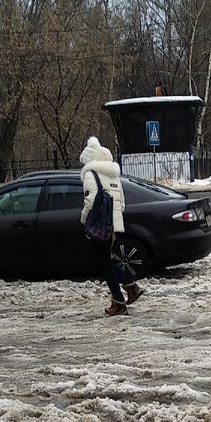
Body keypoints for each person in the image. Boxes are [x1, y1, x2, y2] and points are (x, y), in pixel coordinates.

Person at [78, 135, 141, 316]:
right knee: (108, 260)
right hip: (114, 227)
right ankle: (130, 287)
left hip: (100, 225)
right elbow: (121, 205)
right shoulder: (114, 176)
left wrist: (83, 219)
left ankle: (119, 302)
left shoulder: (91, 174)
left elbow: (89, 201)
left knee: (106, 264)